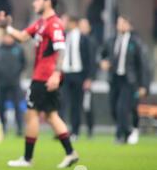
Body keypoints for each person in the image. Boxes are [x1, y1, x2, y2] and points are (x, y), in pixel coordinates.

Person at [0, 0, 79, 168]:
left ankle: (27, 158)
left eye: (37, 0)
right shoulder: (41, 23)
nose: (34, 3)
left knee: (31, 114)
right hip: (45, 76)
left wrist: (56, 74)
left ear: (47, 2)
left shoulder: (54, 23)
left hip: (44, 77)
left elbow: (61, 49)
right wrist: (6, 27)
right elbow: (22, 37)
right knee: (51, 115)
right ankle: (71, 153)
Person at [100, 16, 150, 144]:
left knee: (122, 108)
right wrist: (102, 62)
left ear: (129, 26)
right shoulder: (111, 40)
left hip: (129, 80)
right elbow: (100, 54)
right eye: (119, 23)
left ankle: (120, 136)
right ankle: (127, 131)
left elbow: (142, 65)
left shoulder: (135, 42)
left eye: (123, 23)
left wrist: (144, 85)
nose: (121, 25)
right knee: (113, 108)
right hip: (114, 79)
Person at [61, 16, 94, 141]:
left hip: (78, 74)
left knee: (76, 104)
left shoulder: (84, 38)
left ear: (73, 23)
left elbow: (90, 59)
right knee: (62, 103)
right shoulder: (63, 37)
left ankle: (75, 131)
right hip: (65, 74)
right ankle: (62, 131)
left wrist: (89, 78)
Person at [0, 31, 26, 136]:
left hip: (14, 82)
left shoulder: (19, 48)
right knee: (0, 106)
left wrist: (16, 74)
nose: (8, 39)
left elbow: (23, 63)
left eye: (10, 37)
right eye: (6, 37)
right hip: (0, 83)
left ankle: (20, 128)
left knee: (18, 106)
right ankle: (2, 128)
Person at [79, 18, 98, 137]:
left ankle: (90, 129)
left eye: (84, 26)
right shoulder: (77, 40)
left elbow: (93, 62)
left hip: (86, 79)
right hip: (77, 78)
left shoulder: (91, 41)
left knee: (87, 105)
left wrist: (90, 78)